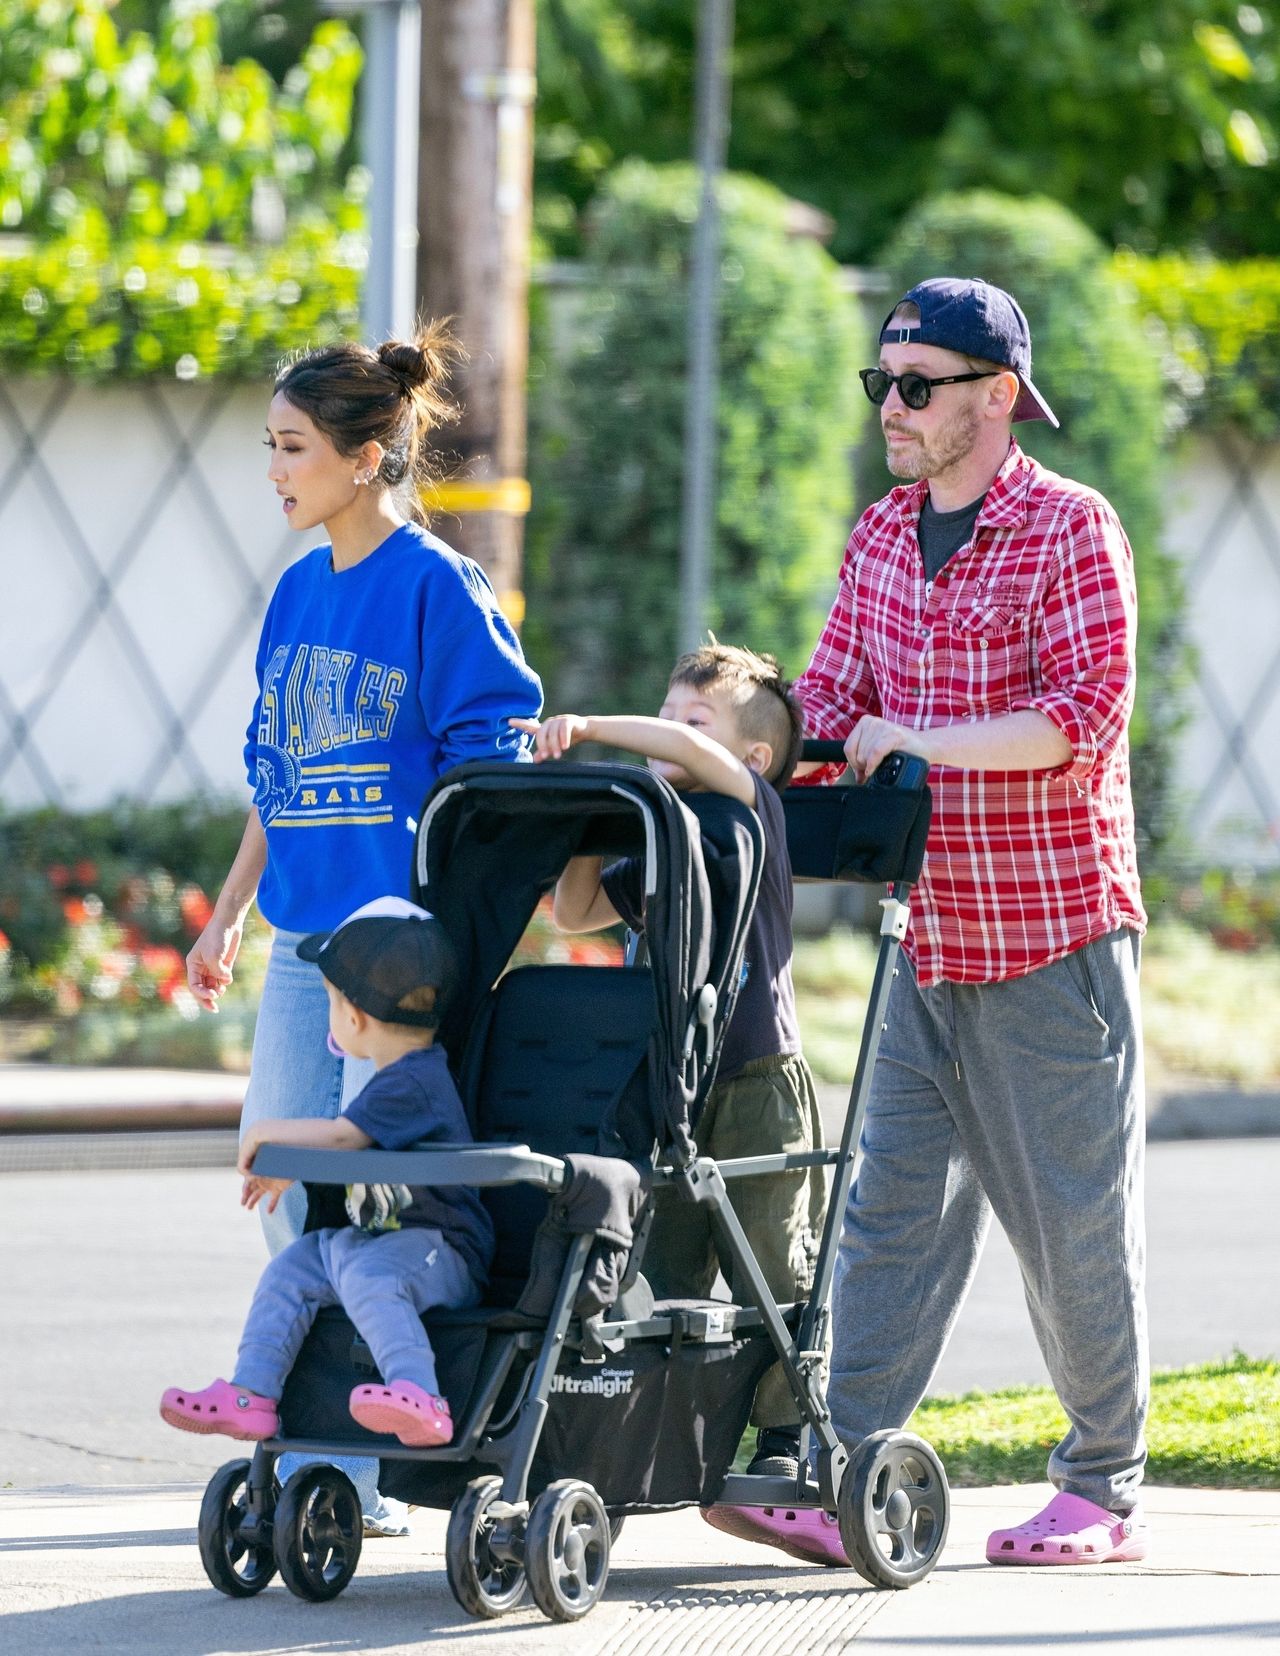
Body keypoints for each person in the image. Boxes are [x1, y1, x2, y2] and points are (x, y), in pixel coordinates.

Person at [728, 275, 1150, 1570]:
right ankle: (840, 1464)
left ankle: (1103, 1489)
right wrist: (710, 746)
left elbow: (1081, 722)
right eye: (881, 384)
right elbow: (826, 705)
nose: (891, 408)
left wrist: (921, 739)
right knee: (888, 1214)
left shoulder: (1071, 530)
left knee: (1069, 1227)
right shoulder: (877, 535)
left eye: (915, 386)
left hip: (1055, 937)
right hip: (930, 939)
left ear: (997, 397)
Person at [184, 323, 540, 1531]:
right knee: (283, 1174)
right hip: (301, 946)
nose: (276, 470)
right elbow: (275, 782)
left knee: (369, 1196)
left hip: (391, 961)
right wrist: (227, 917)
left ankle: (360, 1455)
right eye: (272, 448)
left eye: (291, 447)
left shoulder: (439, 588)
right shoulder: (295, 591)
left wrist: (433, 941)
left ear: (366, 453)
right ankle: (335, 1428)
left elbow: (493, 772)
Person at [512, 642, 827, 1490]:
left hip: (759, 1078)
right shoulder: (659, 840)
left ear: (749, 757)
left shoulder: (747, 813)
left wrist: (590, 730)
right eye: (666, 714)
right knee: (663, 1268)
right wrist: (592, 823)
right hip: (673, 1085)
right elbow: (575, 911)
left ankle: (787, 1433)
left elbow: (691, 759)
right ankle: (660, 1433)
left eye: (691, 720)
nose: (668, 735)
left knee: (772, 1263)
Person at [163, 899, 493, 1451]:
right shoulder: (398, 1079)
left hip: (443, 1255)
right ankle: (254, 1395)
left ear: (355, 1017)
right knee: (292, 1269)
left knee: (369, 1276)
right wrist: (291, 1169)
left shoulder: (414, 1081)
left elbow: (342, 1137)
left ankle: (420, 1394)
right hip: (377, 1242)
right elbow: (347, 1144)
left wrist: (267, 1136)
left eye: (331, 1003)